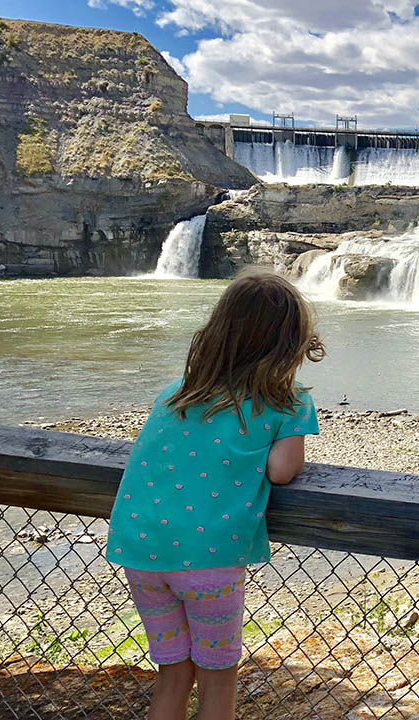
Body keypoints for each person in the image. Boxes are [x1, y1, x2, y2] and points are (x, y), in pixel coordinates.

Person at [105, 273, 324, 720]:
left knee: (173, 673)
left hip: (143, 551)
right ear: (289, 345)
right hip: (209, 559)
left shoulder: (176, 393)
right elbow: (282, 472)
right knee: (218, 678)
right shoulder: (287, 403)